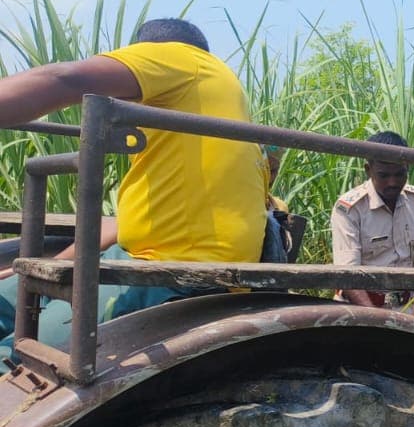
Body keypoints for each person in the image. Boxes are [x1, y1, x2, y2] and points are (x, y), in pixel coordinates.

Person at [0, 18, 269, 353]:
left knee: (14, 356)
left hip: (171, 270)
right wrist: (26, 272)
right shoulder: (202, 126)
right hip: (136, 254)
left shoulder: (183, 59)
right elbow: (120, 227)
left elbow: (64, 78)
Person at [330, 131, 414, 308]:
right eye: (384, 175)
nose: (392, 182)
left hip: (408, 307)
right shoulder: (351, 209)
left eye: (399, 174)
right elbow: (347, 272)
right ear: (368, 170)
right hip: (359, 308)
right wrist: (376, 320)